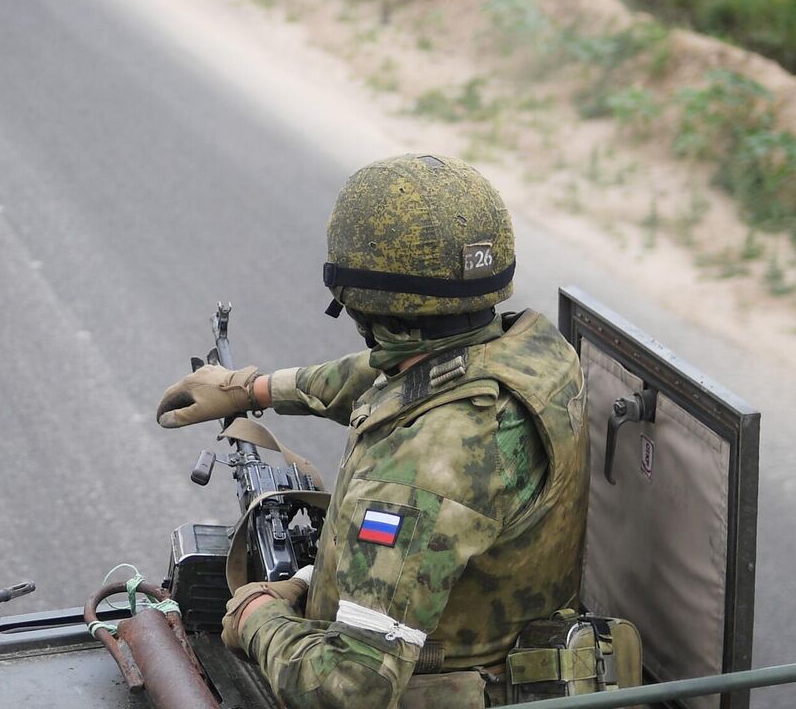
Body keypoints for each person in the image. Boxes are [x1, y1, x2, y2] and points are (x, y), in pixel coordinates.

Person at [154, 155, 588, 709]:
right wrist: (254, 389)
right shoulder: (536, 356)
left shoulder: (423, 468)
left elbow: (346, 689)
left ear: (358, 299)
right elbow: (385, 374)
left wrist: (257, 615)